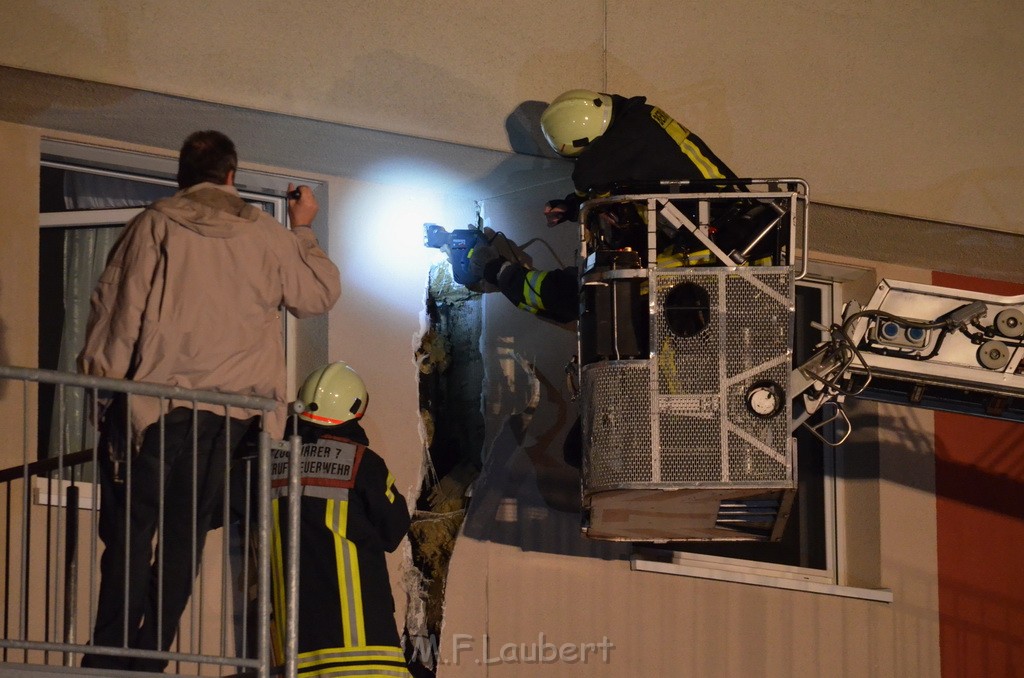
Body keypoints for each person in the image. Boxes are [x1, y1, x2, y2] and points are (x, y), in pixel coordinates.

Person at [77, 130, 341, 671]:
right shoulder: (268, 237)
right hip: (230, 420)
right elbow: (318, 294)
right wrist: (305, 228)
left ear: (183, 177)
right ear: (230, 175)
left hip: (156, 408)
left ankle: (111, 657)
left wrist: (104, 396)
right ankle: (150, 656)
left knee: (130, 532)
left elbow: (118, 312)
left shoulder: (156, 225)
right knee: (183, 537)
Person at [471, 89, 775, 324]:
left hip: (718, 255)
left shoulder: (597, 166)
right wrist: (574, 206)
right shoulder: (642, 119)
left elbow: (601, 185)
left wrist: (497, 271)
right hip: (741, 233)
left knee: (591, 291)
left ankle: (500, 272)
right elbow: (638, 181)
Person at [270, 362, 411, 677]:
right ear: (355, 409)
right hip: (364, 645)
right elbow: (394, 530)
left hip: (297, 650)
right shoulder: (364, 464)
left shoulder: (270, 460)